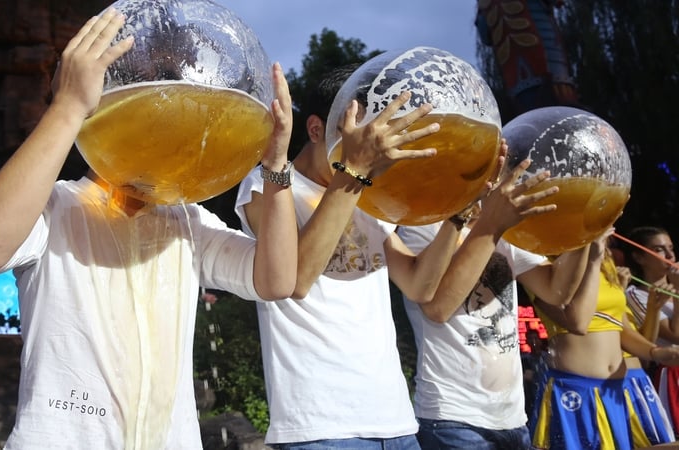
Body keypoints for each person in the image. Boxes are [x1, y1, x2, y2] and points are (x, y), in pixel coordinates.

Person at [0, 9, 297, 450]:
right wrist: (67, 107)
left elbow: (276, 280)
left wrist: (275, 169)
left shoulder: (188, 224)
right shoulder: (57, 208)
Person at [235, 61, 554, 448]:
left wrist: (461, 209)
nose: (374, 152)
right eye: (362, 137)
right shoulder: (268, 186)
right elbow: (296, 280)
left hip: (396, 422)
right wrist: (354, 172)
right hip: (320, 426)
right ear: (317, 129)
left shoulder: (366, 193)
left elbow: (419, 284)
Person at [397, 182, 598, 448]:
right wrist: (487, 222)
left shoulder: (505, 232)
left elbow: (556, 290)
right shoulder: (424, 226)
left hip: (512, 418)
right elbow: (438, 309)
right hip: (452, 417)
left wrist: (585, 229)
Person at [530, 230, 679, 449]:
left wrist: (656, 352)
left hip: (621, 387)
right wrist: (591, 260)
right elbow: (577, 321)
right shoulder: (541, 258)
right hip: (576, 391)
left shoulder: (604, 259)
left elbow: (620, 328)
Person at [623, 226, 679, 433]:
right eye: (659, 249)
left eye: (671, 248)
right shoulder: (636, 294)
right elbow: (675, 335)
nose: (670, 255)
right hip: (672, 374)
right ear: (639, 257)